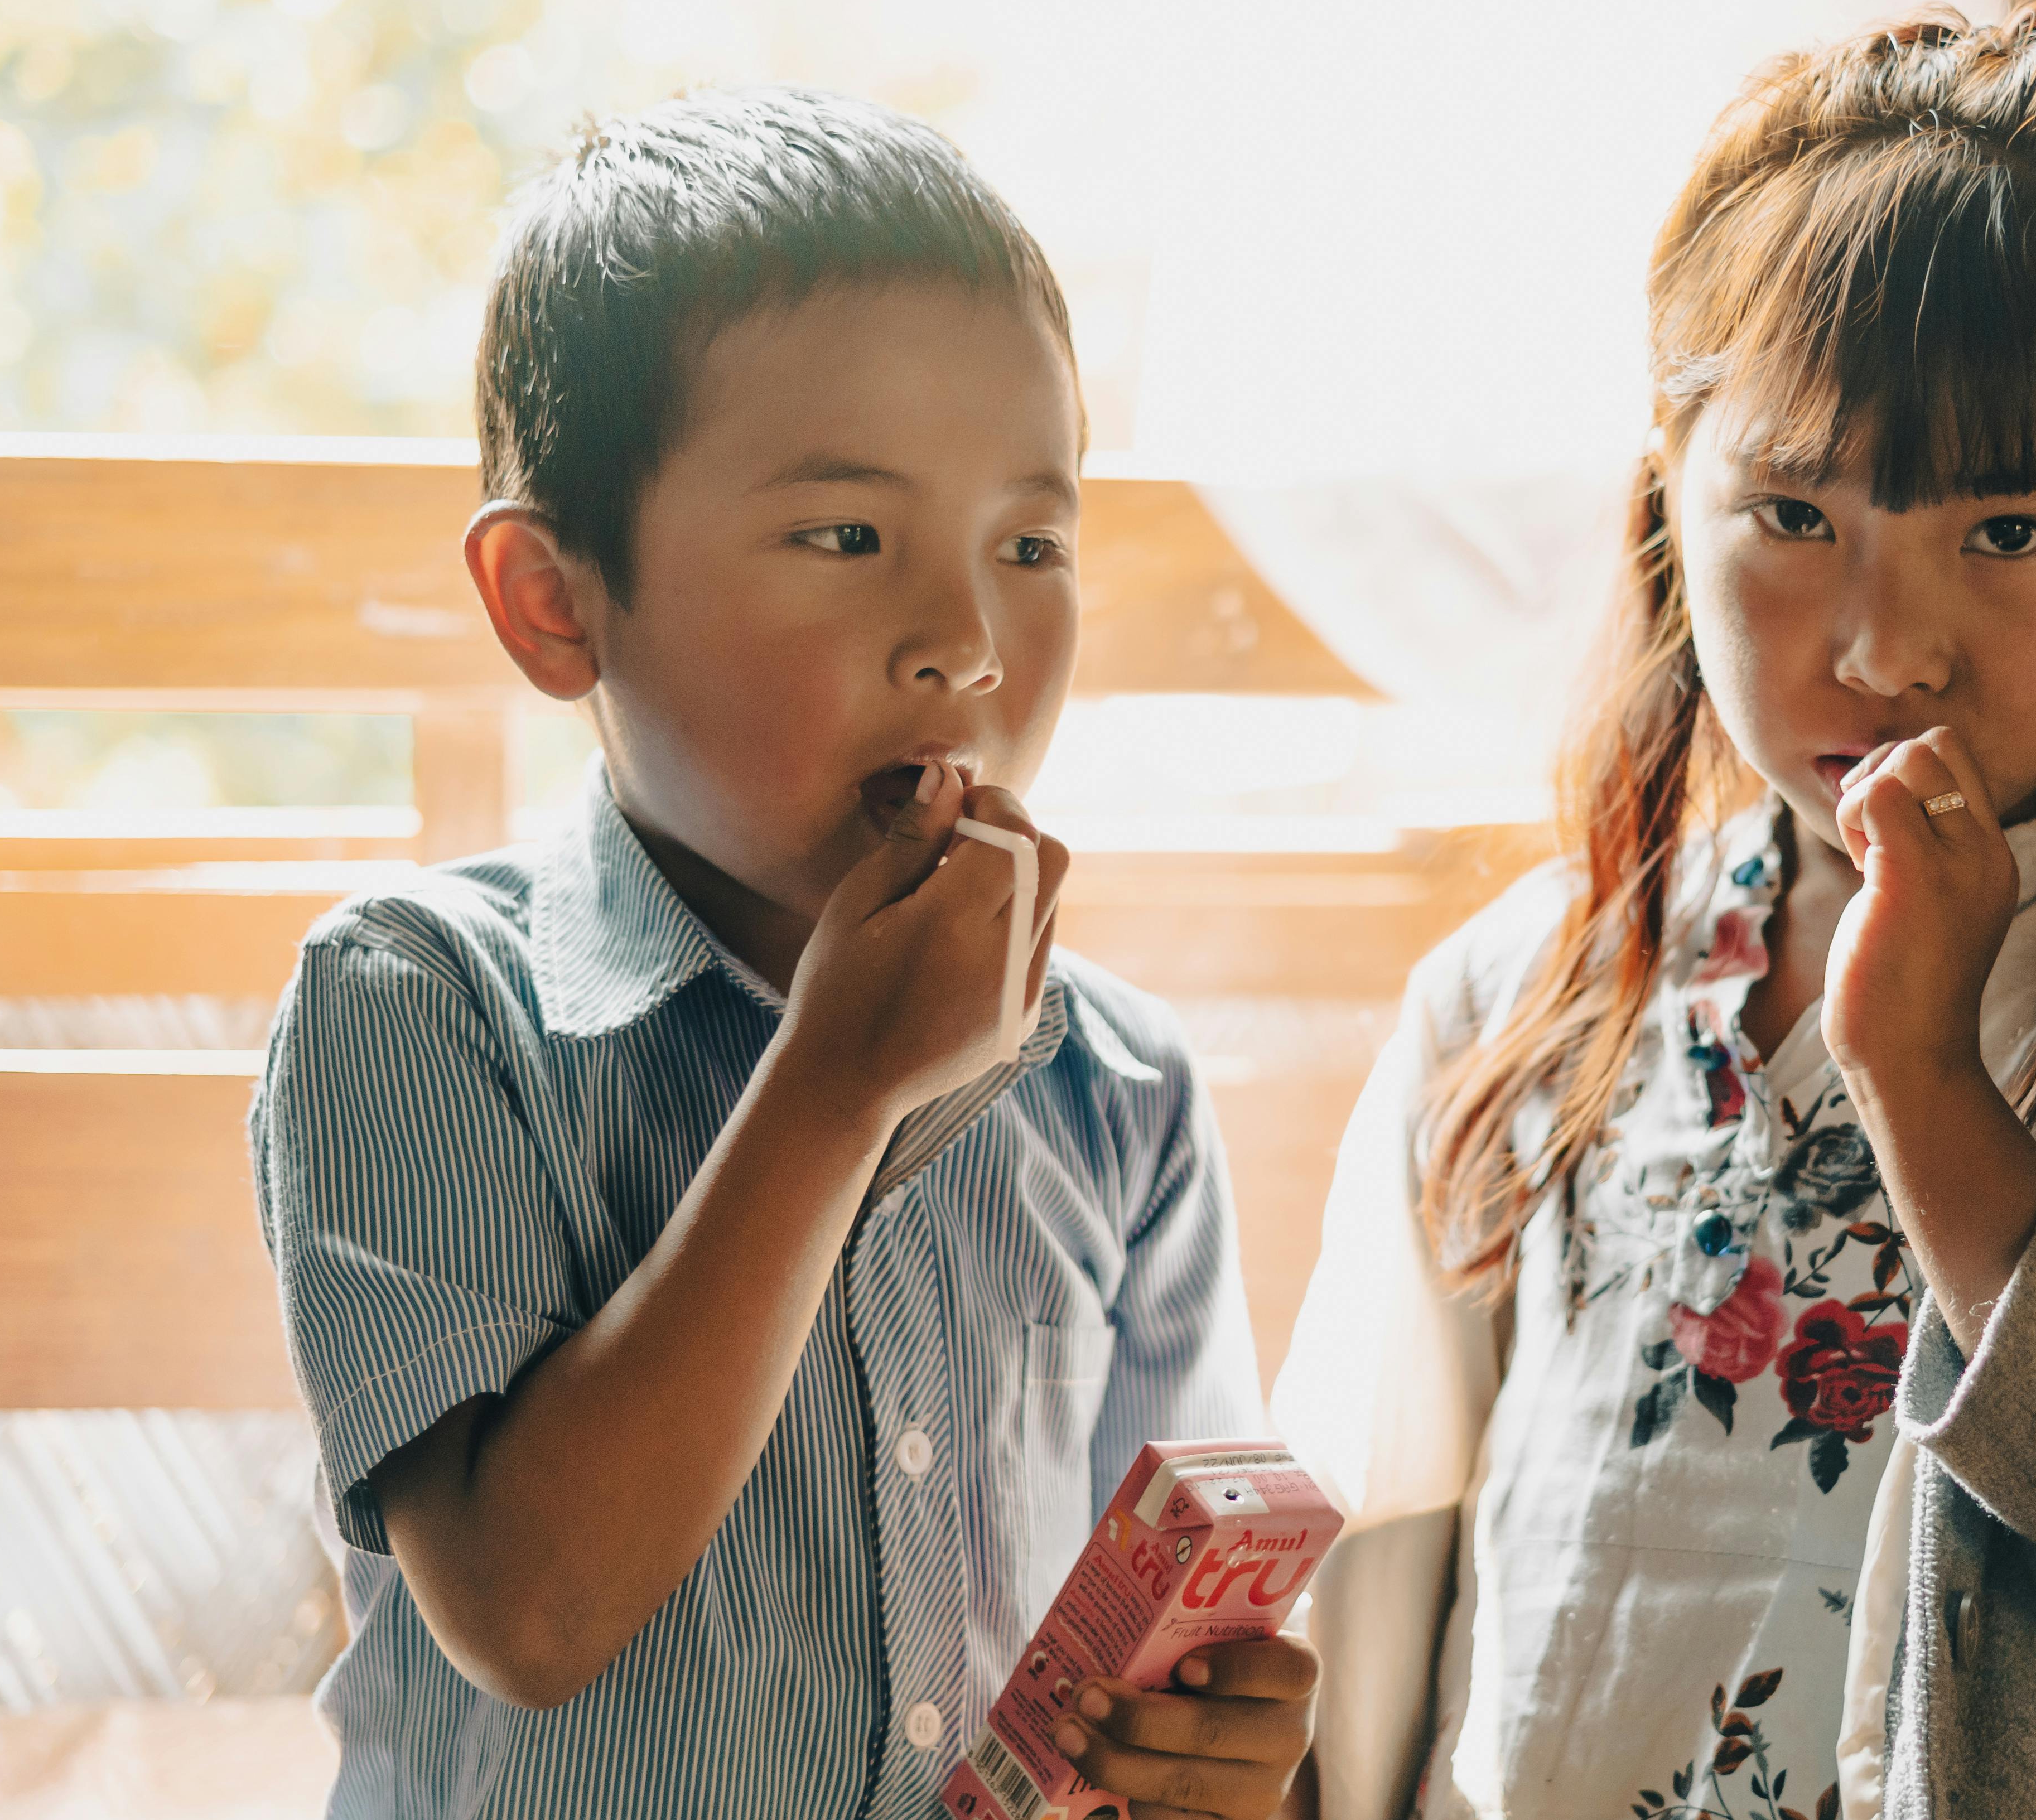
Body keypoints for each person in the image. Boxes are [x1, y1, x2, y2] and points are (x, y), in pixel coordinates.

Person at [1271, 4, 2036, 1820]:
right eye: (1788, 510)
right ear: (1667, 507)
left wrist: (1924, 1082)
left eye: (2002, 533)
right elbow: (1358, 1553)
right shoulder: (1527, 990)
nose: (1882, 646)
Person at [248, 88, 1312, 1820]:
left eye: (1030, 545)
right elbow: (529, 1610)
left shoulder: (1120, 1083)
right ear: (554, 599)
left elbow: (1165, 1630)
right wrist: (835, 1085)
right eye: (847, 537)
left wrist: (1222, 1750)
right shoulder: (414, 1003)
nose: (966, 642)